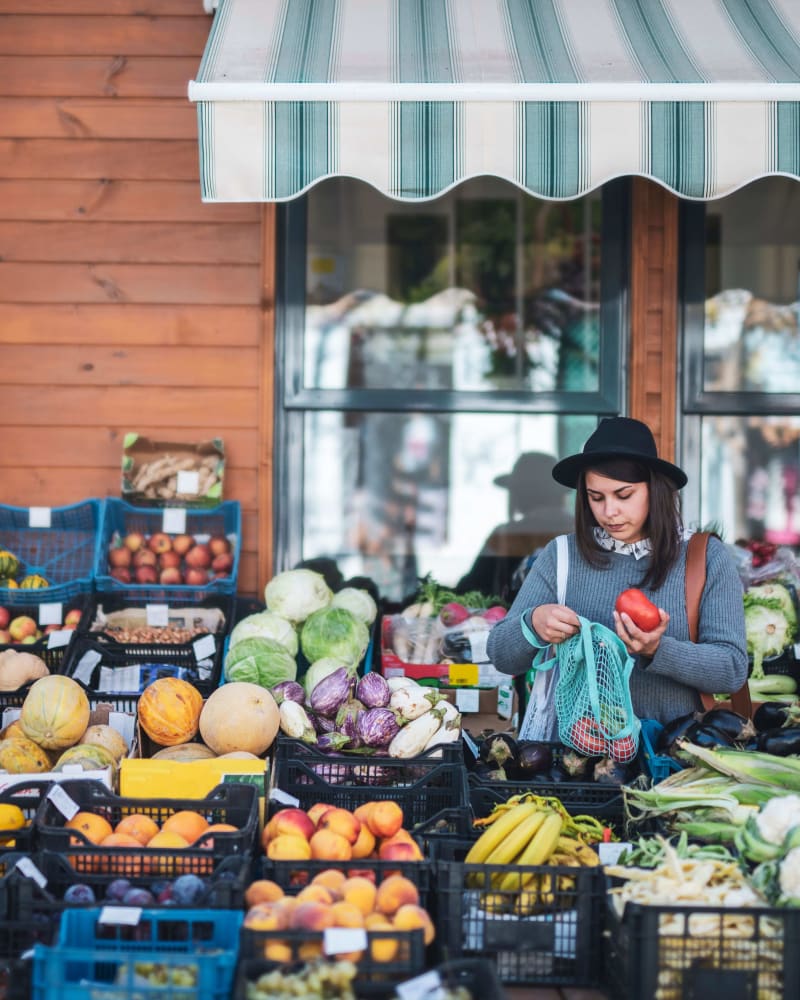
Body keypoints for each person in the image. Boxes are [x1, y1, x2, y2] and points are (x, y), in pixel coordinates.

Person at [486, 417, 748, 725]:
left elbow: (731, 670)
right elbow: (500, 654)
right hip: (576, 758)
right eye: (596, 497)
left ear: (655, 489)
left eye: (624, 495)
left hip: (673, 755)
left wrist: (657, 649)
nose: (609, 511)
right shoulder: (560, 556)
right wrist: (532, 624)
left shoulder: (705, 557)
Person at [457, 452, 575, 602]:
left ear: (518, 495)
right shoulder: (581, 532)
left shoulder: (505, 535)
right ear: (559, 494)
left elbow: (471, 588)